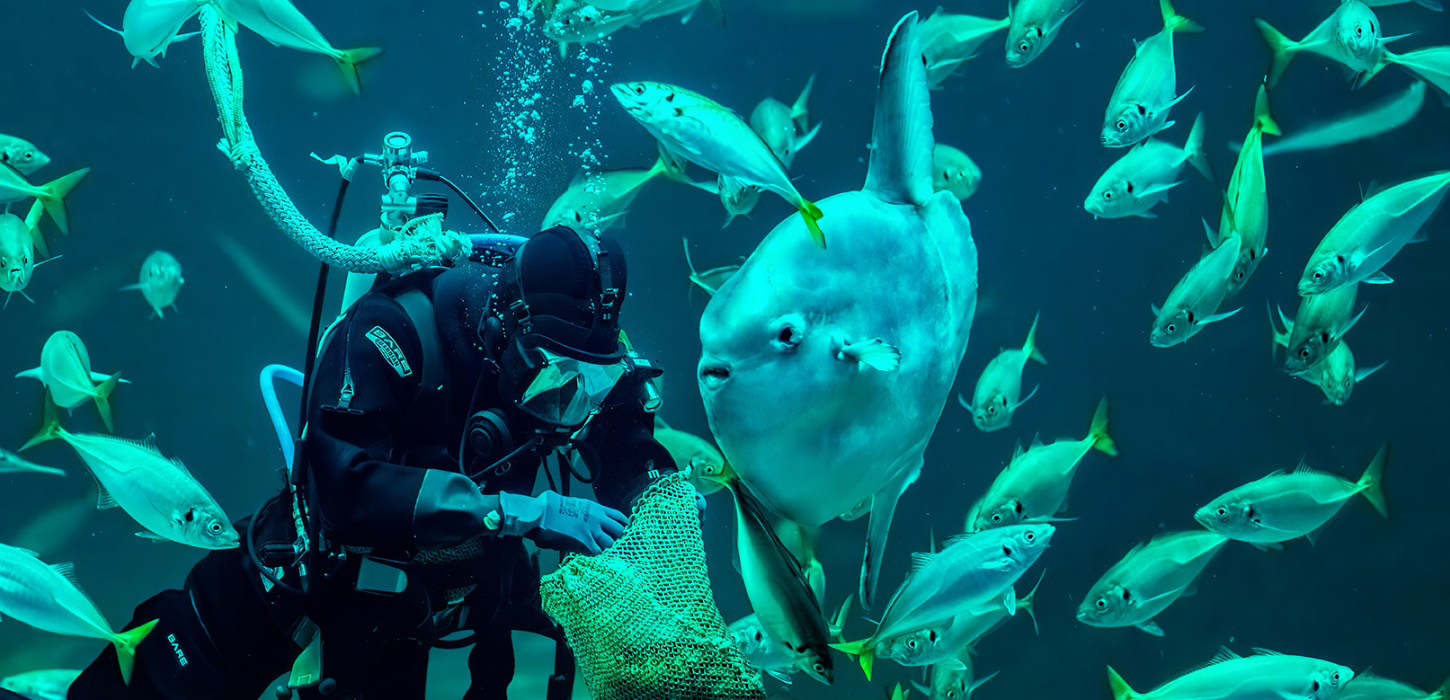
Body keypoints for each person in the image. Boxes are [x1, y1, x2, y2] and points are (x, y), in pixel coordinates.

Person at [67, 225, 679, 700]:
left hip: (448, 606)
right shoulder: (393, 328)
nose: (571, 406)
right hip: (321, 574)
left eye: (592, 382)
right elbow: (341, 488)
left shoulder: (584, 347)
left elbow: (628, 435)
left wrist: (659, 524)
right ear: (505, 328)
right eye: (557, 376)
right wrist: (510, 511)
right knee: (179, 666)